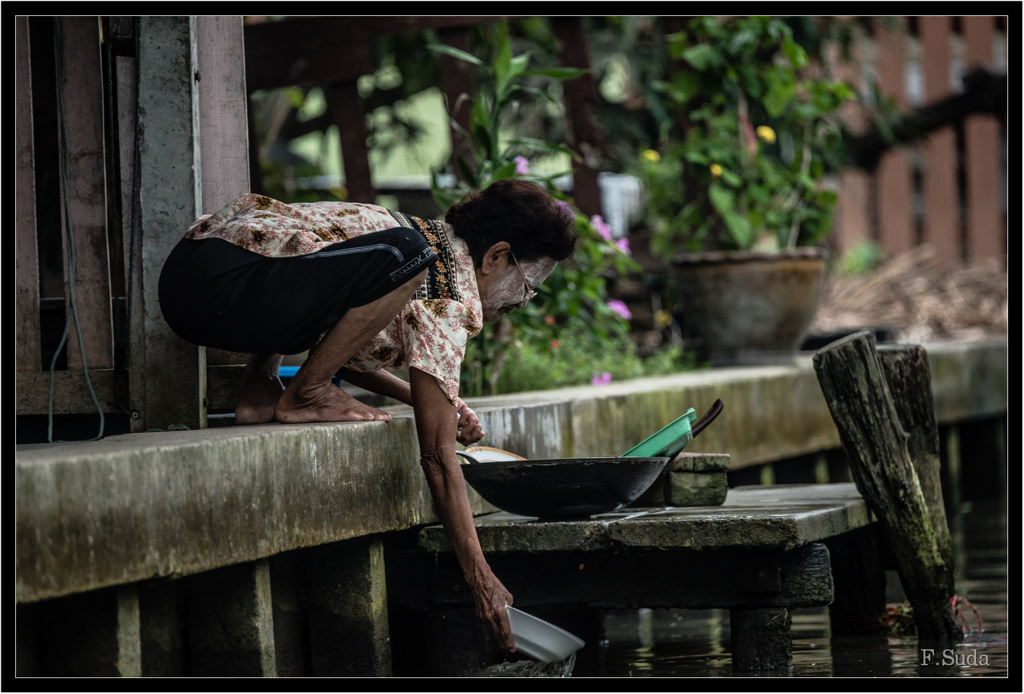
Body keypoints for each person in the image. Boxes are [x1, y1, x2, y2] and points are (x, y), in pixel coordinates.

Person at [158, 179, 578, 650]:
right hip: (218, 286)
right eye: (528, 287)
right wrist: (481, 580)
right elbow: (439, 457)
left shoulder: (425, 256)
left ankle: (261, 389)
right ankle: (305, 394)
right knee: (405, 252)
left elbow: (344, 345)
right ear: (496, 257)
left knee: (399, 254)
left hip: (196, 278)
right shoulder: (437, 277)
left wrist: (439, 401)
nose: (521, 303)